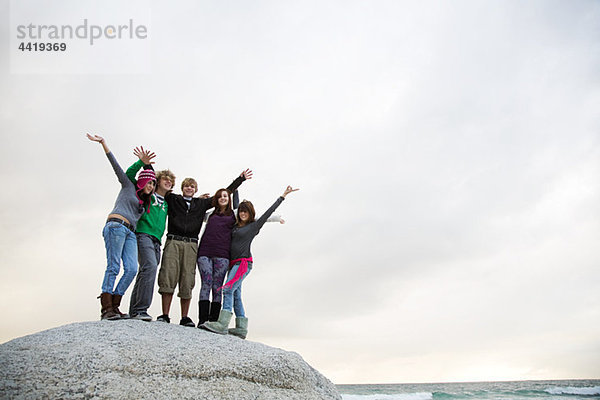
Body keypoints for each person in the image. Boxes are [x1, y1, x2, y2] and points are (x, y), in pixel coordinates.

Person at [156, 169, 253, 327]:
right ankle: (171, 316)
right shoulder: (174, 199)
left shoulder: (203, 205)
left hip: (206, 249)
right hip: (188, 246)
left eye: (192, 186)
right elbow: (157, 187)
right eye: (187, 186)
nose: (189, 188)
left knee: (200, 283)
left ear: (196, 189)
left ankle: (202, 319)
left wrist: (240, 179)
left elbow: (225, 193)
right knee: (173, 278)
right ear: (182, 188)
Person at [201, 185, 299, 338]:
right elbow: (236, 204)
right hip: (233, 264)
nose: (243, 213)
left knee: (227, 289)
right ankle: (241, 328)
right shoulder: (234, 225)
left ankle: (222, 324)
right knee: (236, 294)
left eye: (246, 211)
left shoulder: (253, 226)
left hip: (243, 263)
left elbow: (268, 213)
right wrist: (237, 187)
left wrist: (283, 196)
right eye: (241, 211)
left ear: (250, 213)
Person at [87, 134, 157, 320]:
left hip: (130, 233)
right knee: (113, 266)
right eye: (148, 181)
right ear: (141, 181)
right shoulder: (128, 187)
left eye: (152, 183)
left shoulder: (145, 202)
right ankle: (106, 308)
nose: (151, 185)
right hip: (116, 226)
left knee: (133, 269)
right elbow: (118, 168)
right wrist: (104, 144)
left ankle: (116, 305)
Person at [124, 147, 177, 321]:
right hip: (143, 235)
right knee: (150, 268)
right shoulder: (148, 195)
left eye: (171, 181)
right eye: (165, 179)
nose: (168, 182)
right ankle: (141, 309)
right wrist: (143, 164)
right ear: (157, 181)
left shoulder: (167, 202)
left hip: (157, 241)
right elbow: (130, 176)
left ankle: (134, 311)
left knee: (145, 271)